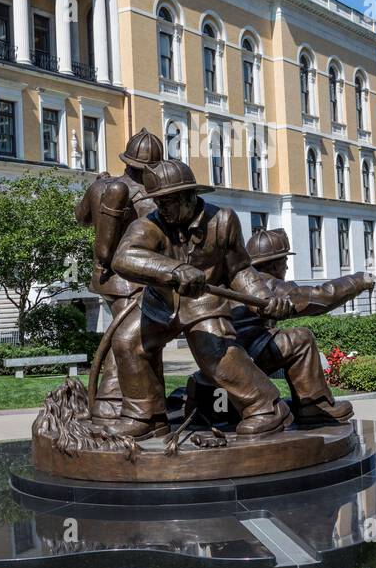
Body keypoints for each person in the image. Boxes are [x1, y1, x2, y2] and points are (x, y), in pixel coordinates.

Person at [109, 159, 296, 438]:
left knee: (215, 354)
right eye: (158, 202)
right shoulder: (148, 225)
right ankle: (147, 417)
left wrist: (262, 297)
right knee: (128, 341)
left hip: (203, 302)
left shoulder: (222, 220)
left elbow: (239, 269)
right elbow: (123, 258)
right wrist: (173, 269)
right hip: (160, 302)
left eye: (168, 202)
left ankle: (267, 408)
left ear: (188, 197)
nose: (162, 208)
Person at [224, 227, 372, 425]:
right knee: (301, 339)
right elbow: (318, 297)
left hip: (235, 353)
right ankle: (314, 406)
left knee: (282, 339)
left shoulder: (237, 282)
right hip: (247, 355)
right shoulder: (267, 283)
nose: (286, 268)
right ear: (276, 265)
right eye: (285, 262)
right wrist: (358, 281)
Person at [73, 127, 162, 420]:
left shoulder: (102, 186)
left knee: (128, 336)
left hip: (106, 278)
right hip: (134, 280)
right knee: (129, 339)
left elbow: (81, 218)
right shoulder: (151, 198)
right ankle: (112, 399)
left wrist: (95, 190)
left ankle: (141, 398)